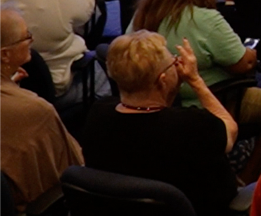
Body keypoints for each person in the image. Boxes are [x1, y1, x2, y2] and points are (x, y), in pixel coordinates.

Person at [129, 0, 261, 183]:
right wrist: (251, 52)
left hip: (152, 103)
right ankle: (248, 176)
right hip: (208, 99)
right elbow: (242, 64)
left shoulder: (144, 11)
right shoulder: (206, 19)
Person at [81, 31, 239, 214]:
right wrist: (195, 80)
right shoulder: (193, 125)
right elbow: (230, 131)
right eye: (173, 62)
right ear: (163, 80)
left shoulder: (98, 114)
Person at [0, 7, 84, 213]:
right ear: (5, 55)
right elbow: (73, 167)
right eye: (26, 37)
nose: (32, 41)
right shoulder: (34, 110)